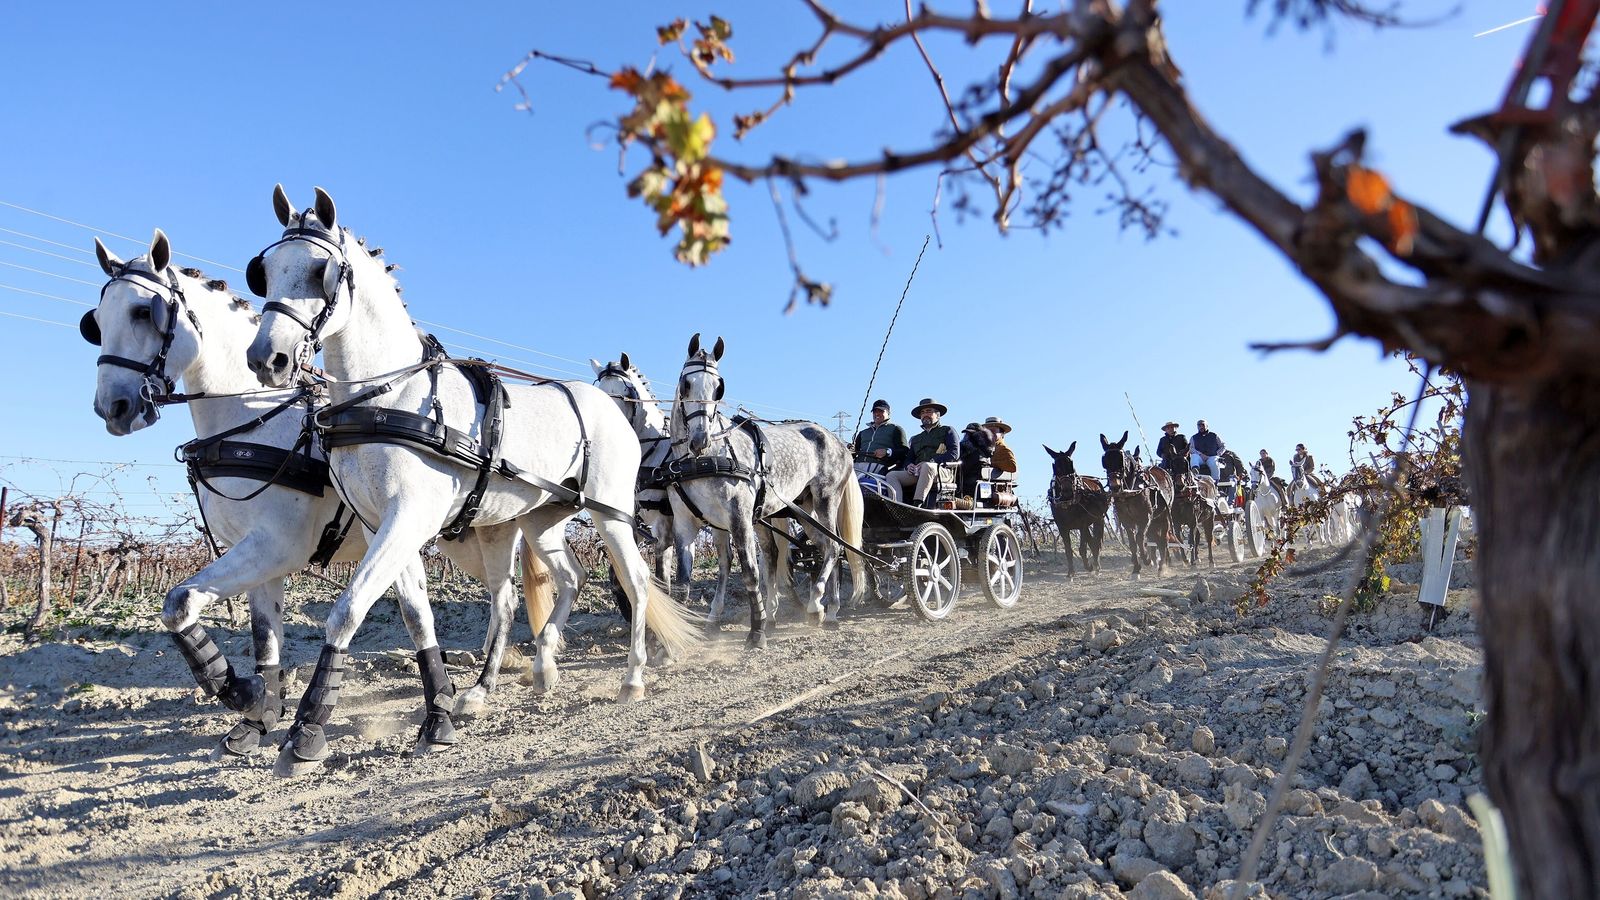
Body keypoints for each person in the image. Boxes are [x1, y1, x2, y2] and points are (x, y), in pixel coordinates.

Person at [891, 398, 959, 506]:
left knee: (927, 466)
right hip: (918, 472)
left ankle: (917, 504)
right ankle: (897, 506)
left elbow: (954, 453)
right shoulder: (916, 438)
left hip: (942, 471)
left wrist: (932, 461)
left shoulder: (948, 430)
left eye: (928, 411)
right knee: (892, 475)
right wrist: (909, 466)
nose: (925, 414)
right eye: (922, 412)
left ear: (938, 415)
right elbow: (909, 458)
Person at [852, 399, 908, 474]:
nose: (877, 414)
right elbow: (855, 451)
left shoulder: (896, 429)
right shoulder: (863, 433)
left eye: (881, 411)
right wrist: (851, 450)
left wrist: (887, 452)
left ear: (888, 413)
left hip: (880, 468)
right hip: (856, 466)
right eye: (875, 411)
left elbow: (904, 452)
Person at [958, 422, 994, 497]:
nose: (968, 436)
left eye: (972, 434)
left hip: (972, 484)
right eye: (967, 434)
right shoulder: (963, 448)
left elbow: (964, 468)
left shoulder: (981, 451)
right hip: (968, 484)